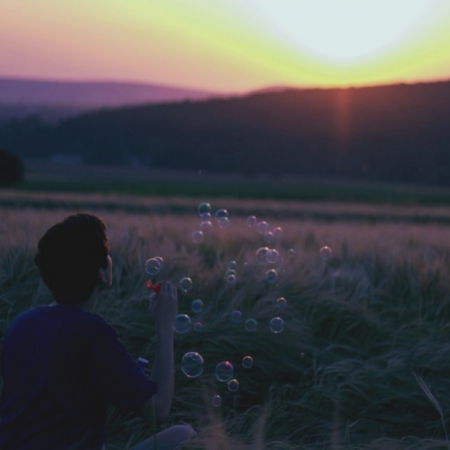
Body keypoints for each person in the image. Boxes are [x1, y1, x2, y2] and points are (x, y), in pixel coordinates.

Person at [0, 213, 195, 450]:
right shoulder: (92, 332)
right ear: (102, 273)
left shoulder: (22, 323)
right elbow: (158, 410)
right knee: (185, 435)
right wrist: (165, 326)